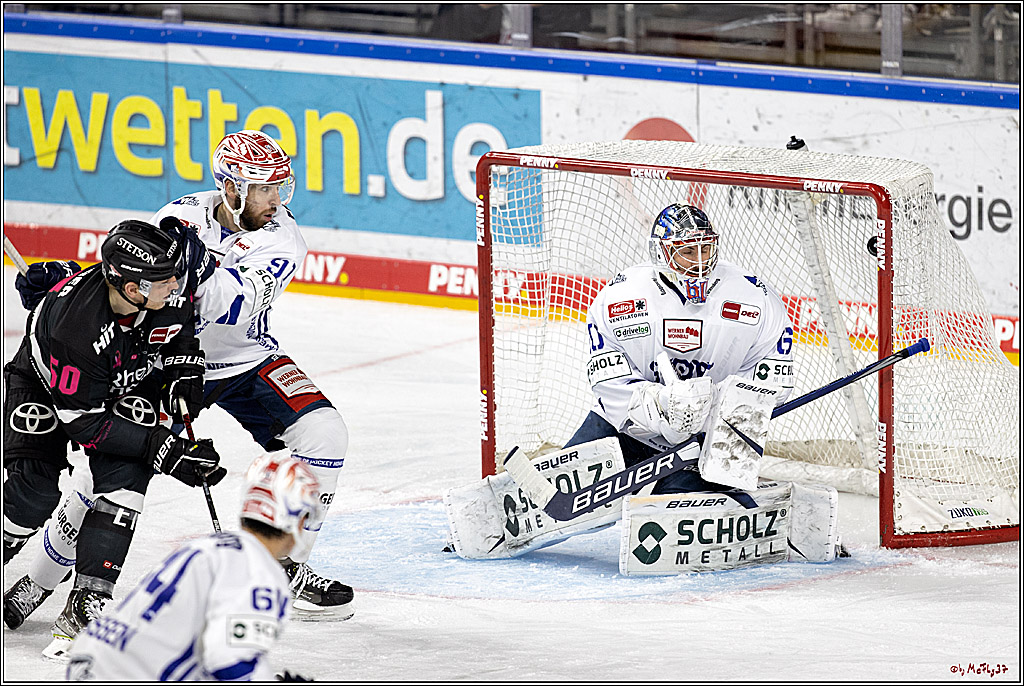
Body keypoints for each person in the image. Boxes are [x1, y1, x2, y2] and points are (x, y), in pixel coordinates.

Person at [2, 219, 225, 656]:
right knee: (32, 497)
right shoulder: (75, 330)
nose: (176, 286)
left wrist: (183, 368)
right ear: (131, 288)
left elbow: (179, 325)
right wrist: (165, 448)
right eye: (164, 280)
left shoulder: (163, 286)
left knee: (128, 472)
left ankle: (87, 601)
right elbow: (86, 425)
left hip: (119, 381)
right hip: (46, 390)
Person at [564, 203, 796, 494]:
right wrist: (659, 403)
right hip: (631, 429)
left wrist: (712, 402)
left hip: (715, 436)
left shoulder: (755, 297)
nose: (699, 263)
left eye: (705, 249)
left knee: (677, 517)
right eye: (687, 251)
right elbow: (608, 380)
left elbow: (775, 381)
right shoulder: (619, 297)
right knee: (555, 496)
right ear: (661, 253)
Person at [66, 452, 320, 681]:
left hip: (94, 660)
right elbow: (229, 663)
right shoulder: (260, 573)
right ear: (294, 518)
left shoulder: (209, 546)